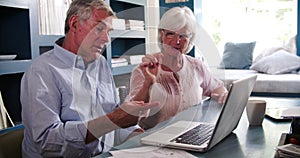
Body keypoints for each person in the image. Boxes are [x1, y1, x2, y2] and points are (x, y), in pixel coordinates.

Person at [20, 0, 159, 157]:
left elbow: (114, 125)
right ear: (74, 24)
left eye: (108, 32)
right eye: (99, 28)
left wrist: (148, 143)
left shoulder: (100, 64)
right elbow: (46, 141)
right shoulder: (41, 71)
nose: (106, 39)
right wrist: (114, 119)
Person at [126, 6, 228, 129]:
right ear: (161, 35)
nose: (177, 41)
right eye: (170, 34)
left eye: (183, 35)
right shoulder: (143, 70)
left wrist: (223, 95)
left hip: (192, 135)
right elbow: (131, 115)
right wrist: (148, 82)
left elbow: (218, 88)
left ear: (190, 39)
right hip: (156, 140)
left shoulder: (196, 66)